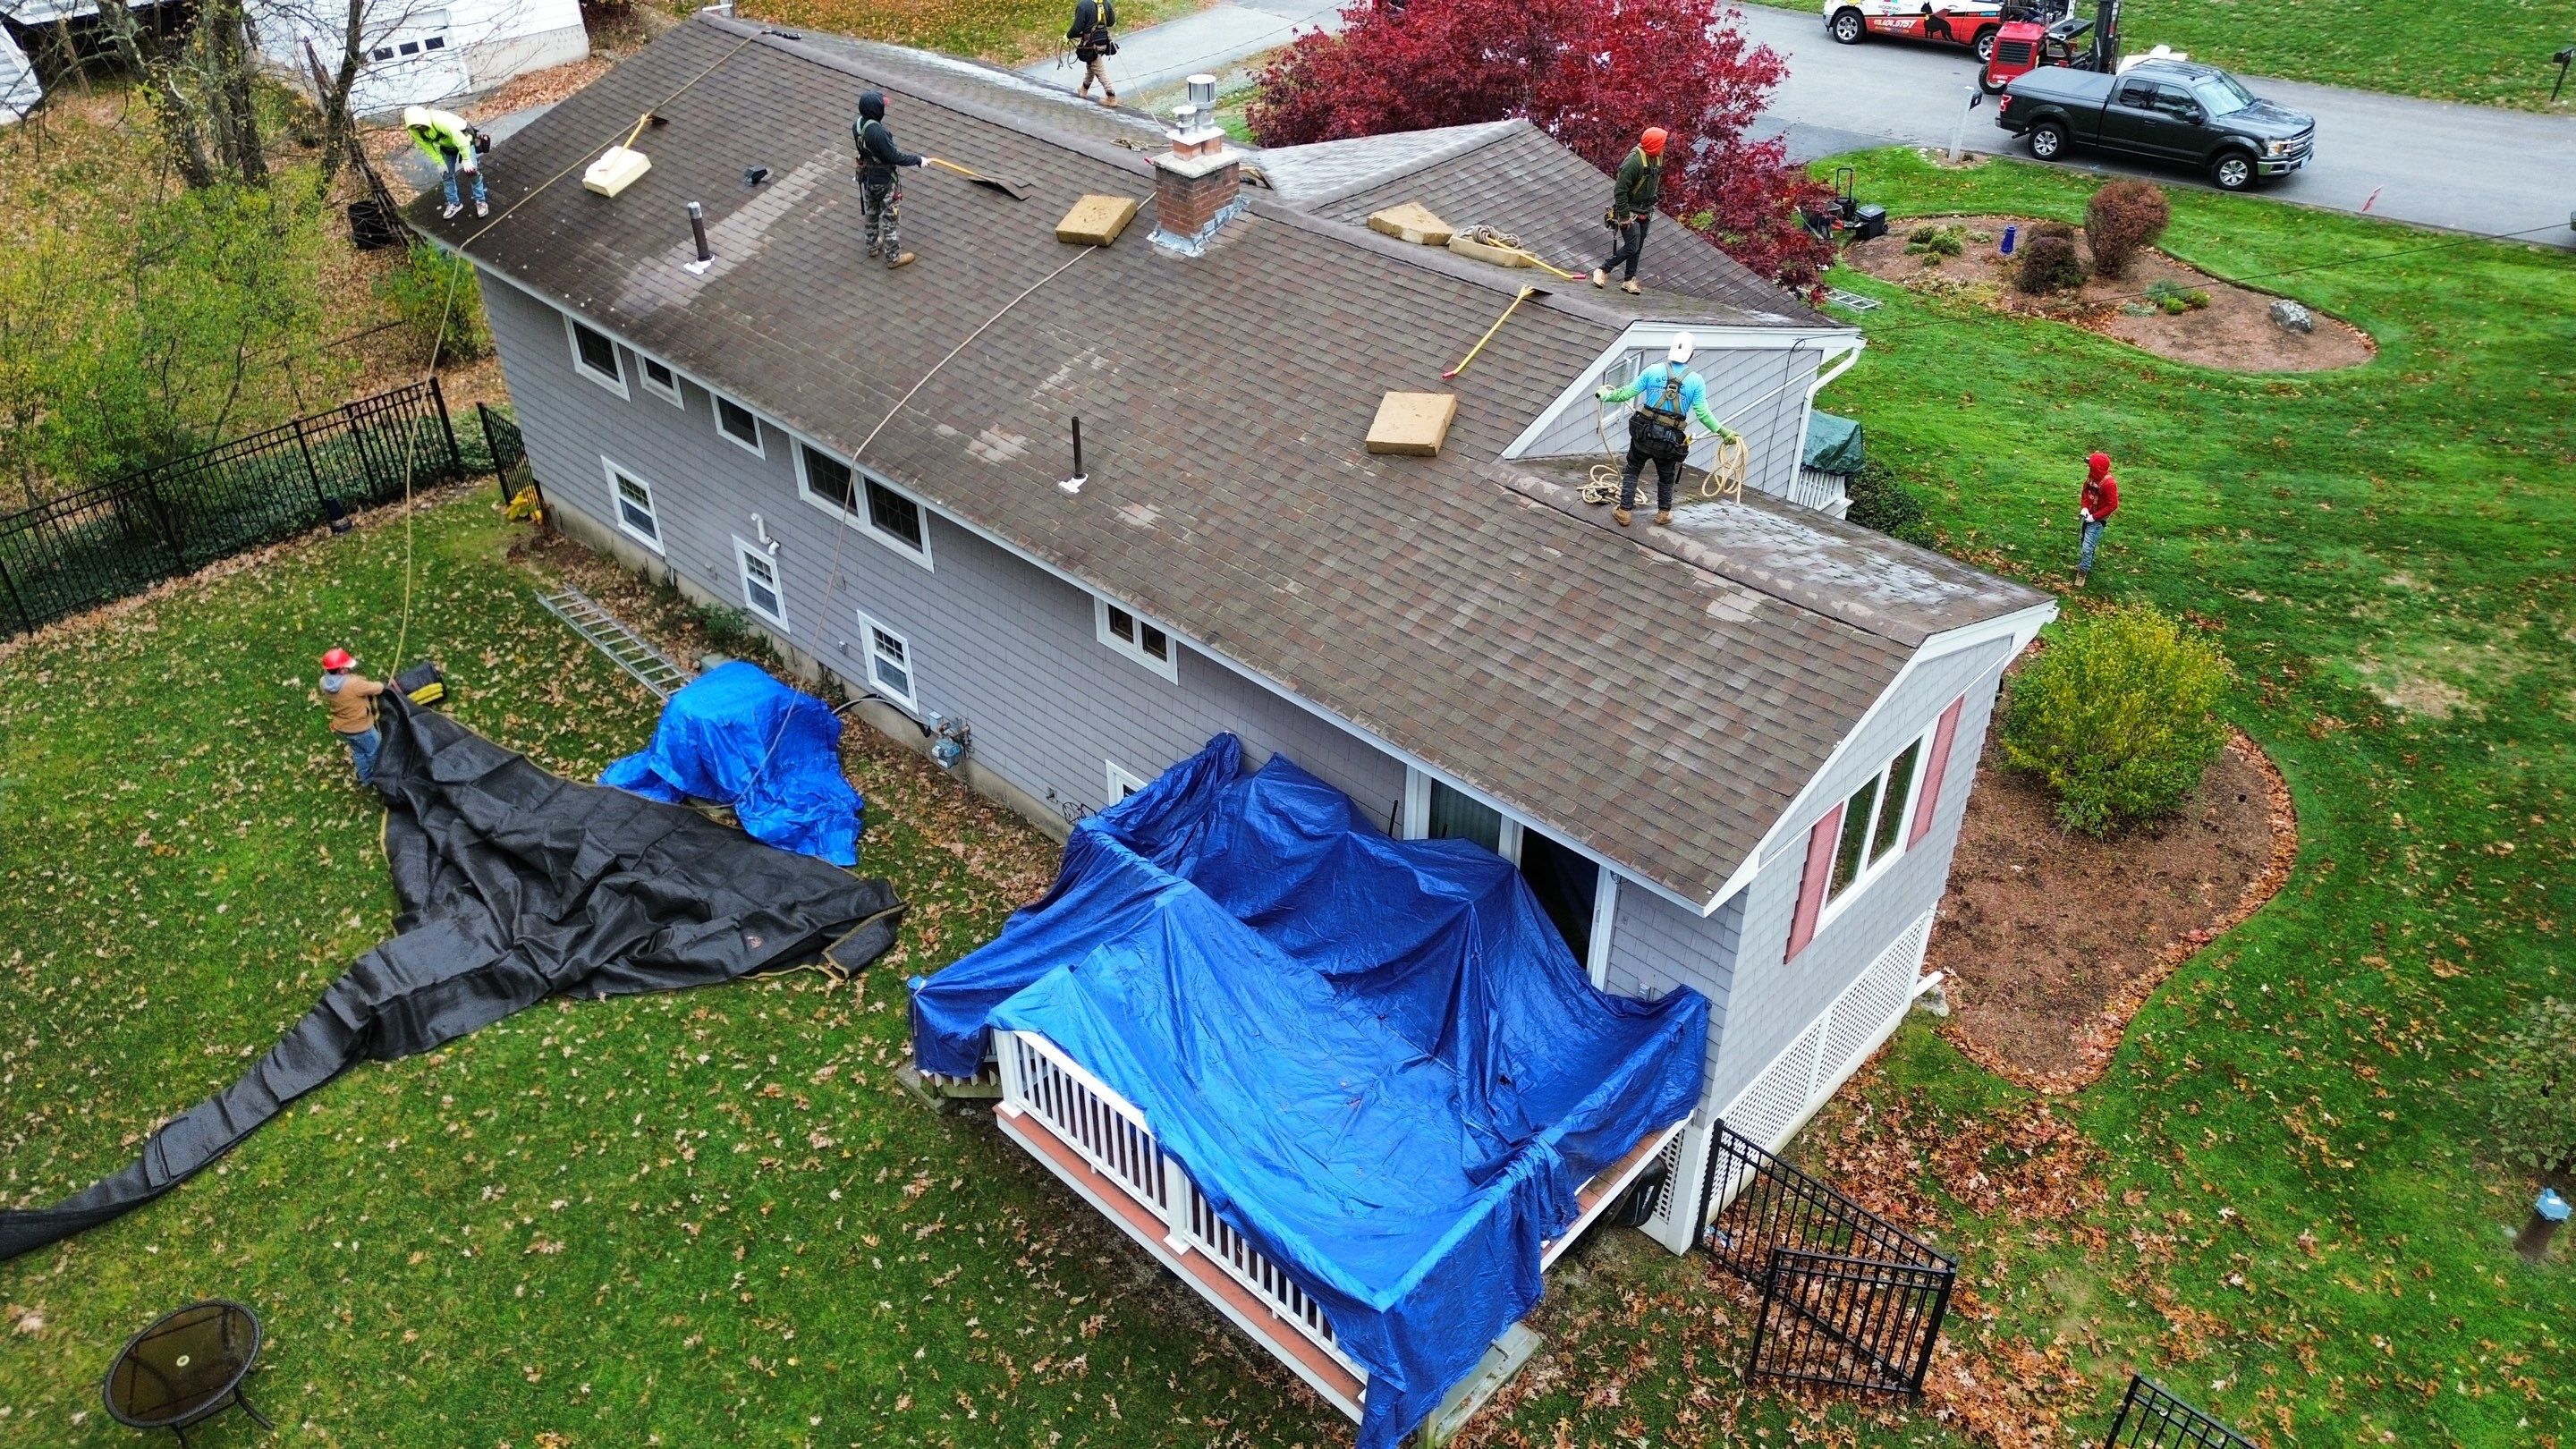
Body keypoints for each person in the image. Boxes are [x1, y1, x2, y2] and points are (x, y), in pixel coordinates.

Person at [1595, 334, 1741, 527]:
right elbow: (1703, 414)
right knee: (1666, 475)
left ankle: (1624, 511)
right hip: (1670, 441)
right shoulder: (1696, 381)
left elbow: (1627, 393)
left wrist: (1605, 395)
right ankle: (1663, 513)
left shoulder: (1652, 371)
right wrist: (1724, 433)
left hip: (1644, 434)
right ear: (1692, 355)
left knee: (1632, 469)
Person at [852, 91, 925, 270]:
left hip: (868, 178)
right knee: (890, 218)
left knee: (871, 211)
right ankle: (893, 257)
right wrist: (918, 160)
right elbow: (894, 157)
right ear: (876, 110)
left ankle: (872, 245)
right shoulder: (878, 133)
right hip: (884, 181)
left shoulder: (858, 125)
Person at [1592, 127, 1665, 296]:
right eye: (1661, 144)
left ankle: (1629, 279)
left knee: (1638, 246)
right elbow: (1620, 191)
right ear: (1654, 144)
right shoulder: (1634, 162)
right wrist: (1624, 216)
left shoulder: (1656, 157)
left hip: (1646, 209)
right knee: (1632, 246)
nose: (1663, 148)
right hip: (1629, 210)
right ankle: (1603, 270)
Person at [318, 648, 388, 784]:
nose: (348, 669)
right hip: (361, 728)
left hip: (343, 727)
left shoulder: (324, 682)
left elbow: (350, 683)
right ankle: (379, 779)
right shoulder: (353, 684)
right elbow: (378, 688)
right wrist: (382, 684)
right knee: (374, 751)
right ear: (340, 670)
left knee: (358, 752)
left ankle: (365, 779)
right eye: (346, 667)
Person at [404, 106, 486, 220]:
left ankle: (481, 201)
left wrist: (466, 159)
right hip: (447, 145)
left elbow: (460, 140)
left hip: (464, 138)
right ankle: (454, 203)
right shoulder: (414, 131)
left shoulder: (440, 122)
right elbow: (427, 146)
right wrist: (440, 162)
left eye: (421, 126)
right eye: (417, 127)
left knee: (472, 172)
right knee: (446, 174)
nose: (420, 129)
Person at [2076, 450, 2120, 585]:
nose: (2089, 468)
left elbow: (2113, 505)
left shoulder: (2108, 484)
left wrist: (2095, 517)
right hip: (2088, 515)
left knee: (2087, 546)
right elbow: (2085, 492)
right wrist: (2084, 507)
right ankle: (2087, 562)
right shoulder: (2091, 478)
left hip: (2097, 520)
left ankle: (2083, 571)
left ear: (2097, 468)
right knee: (2084, 540)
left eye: (2091, 466)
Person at [1066, 0, 1118, 106]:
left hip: (1091, 44)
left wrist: (1068, 36)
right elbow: (1111, 22)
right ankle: (1084, 90)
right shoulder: (1106, 3)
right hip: (1104, 41)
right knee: (1092, 65)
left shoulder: (1083, 5)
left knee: (1098, 69)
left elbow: (1077, 28)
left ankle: (1111, 97)